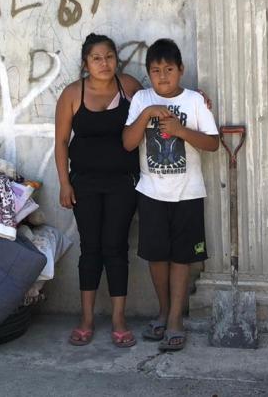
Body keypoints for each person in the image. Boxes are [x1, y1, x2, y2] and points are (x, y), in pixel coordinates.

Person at [122, 38, 219, 351]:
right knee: (157, 257)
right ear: (148, 73)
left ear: (181, 70)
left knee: (182, 258)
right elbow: (127, 142)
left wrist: (180, 131)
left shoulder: (193, 101)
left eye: (169, 69)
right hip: (150, 192)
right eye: (155, 70)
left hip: (188, 193)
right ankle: (163, 310)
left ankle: (176, 318)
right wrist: (148, 111)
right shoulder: (141, 99)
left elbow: (212, 143)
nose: (162, 76)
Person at [54, 33, 143, 348]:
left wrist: (196, 97)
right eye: (96, 58)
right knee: (91, 249)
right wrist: (65, 183)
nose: (104, 63)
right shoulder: (72, 94)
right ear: (85, 63)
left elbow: (160, 105)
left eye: (109, 57)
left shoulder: (129, 87)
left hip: (123, 182)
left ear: (116, 59)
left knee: (116, 248)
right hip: (84, 184)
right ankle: (87, 319)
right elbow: (62, 142)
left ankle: (119, 319)